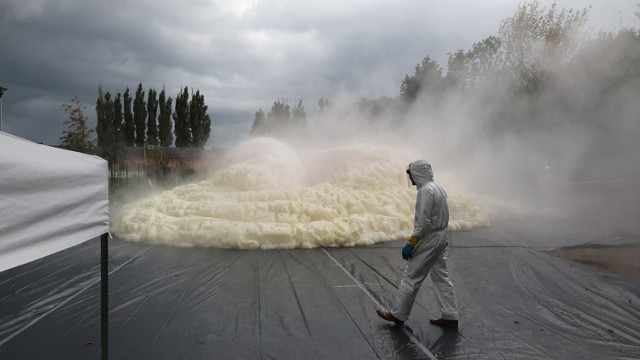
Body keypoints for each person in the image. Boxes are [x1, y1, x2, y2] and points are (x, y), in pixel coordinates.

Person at [376, 159, 459, 328]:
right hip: (442, 235)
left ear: (419, 174)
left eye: (412, 175)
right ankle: (450, 315)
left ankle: (398, 314)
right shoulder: (438, 188)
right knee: (441, 276)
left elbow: (423, 221)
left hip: (430, 238)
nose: (411, 179)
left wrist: (412, 243)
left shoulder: (426, 191)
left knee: (411, 277)